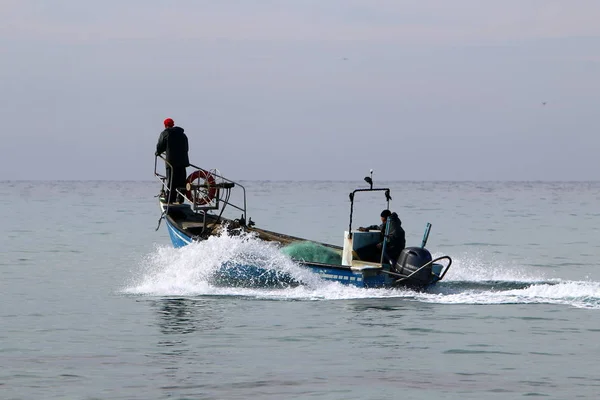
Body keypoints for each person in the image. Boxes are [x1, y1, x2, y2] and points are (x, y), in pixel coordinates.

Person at [155, 118, 189, 203]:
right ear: (173, 124)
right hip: (183, 162)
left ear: (165, 125)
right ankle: (180, 200)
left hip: (171, 162)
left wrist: (157, 152)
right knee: (181, 182)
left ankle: (170, 200)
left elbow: (160, 146)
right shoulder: (183, 135)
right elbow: (187, 148)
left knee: (171, 181)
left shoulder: (165, 133)